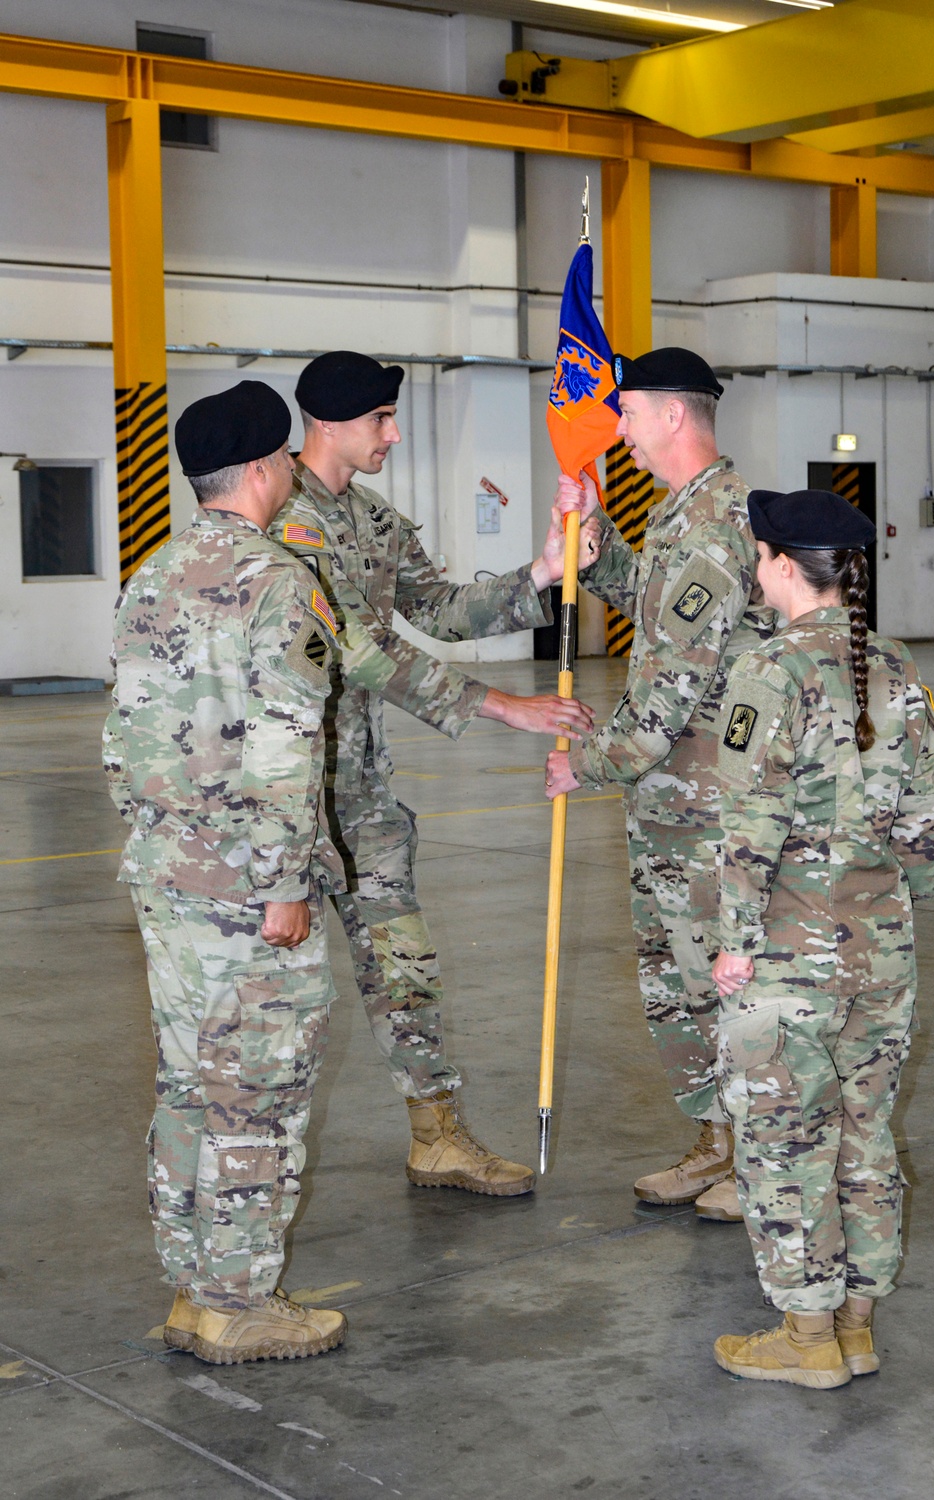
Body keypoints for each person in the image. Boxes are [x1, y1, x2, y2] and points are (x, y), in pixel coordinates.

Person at [103, 381, 399, 1365]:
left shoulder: (151, 576)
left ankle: (195, 1286)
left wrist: (155, 850)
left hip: (169, 881)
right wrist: (282, 885)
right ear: (271, 468)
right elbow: (283, 745)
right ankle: (238, 1302)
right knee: (256, 1091)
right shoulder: (278, 581)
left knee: (190, 1080)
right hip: (243, 892)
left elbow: (125, 739)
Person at [272, 351, 598, 1197]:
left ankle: (437, 1136)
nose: (393, 432)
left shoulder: (375, 522)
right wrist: (501, 706)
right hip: (284, 797)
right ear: (332, 423)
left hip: (365, 794)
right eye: (381, 418)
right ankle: (245, 1184)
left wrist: (538, 575)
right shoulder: (282, 525)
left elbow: (443, 610)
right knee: (276, 1004)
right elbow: (359, 652)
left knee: (403, 965)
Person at [710, 488, 934, 1388]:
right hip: (881, 949)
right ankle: (857, 1323)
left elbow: (748, 825)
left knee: (782, 1139)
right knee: (864, 1134)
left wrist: (733, 943)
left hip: (786, 955)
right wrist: (901, 903)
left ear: (778, 565)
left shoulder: (768, 672)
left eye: (759, 554)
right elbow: (924, 819)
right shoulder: (895, 664)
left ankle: (806, 1337)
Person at [546, 347, 774, 1220]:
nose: (620, 431)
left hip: (711, 806)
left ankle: (756, 1158)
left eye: (629, 414)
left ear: (673, 415)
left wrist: (587, 762)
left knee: (724, 984)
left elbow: (672, 686)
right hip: (674, 806)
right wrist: (594, 539)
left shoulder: (718, 524)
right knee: (679, 983)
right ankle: (720, 1144)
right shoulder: (685, 514)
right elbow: (646, 598)